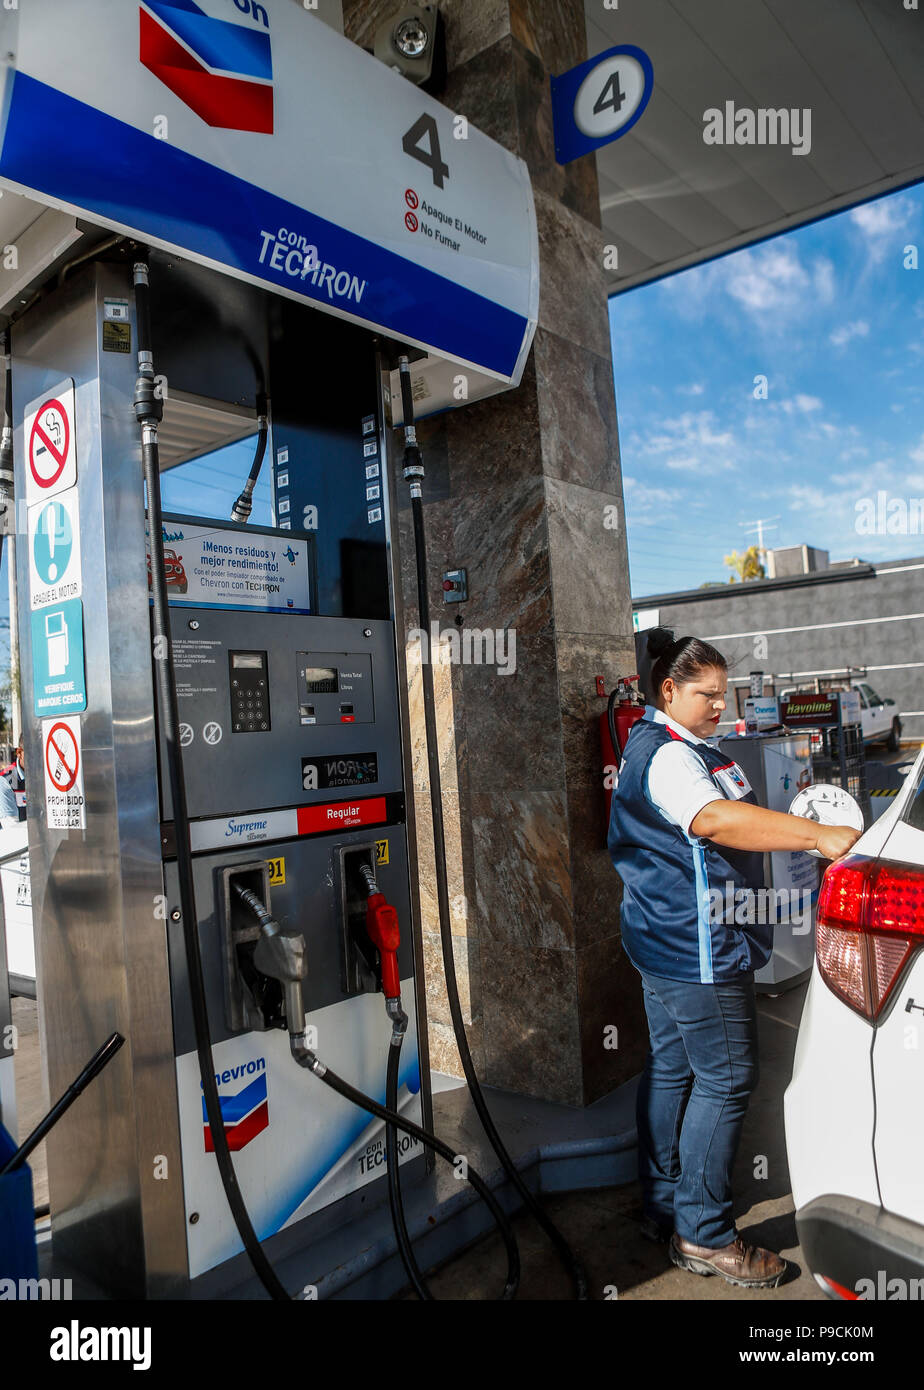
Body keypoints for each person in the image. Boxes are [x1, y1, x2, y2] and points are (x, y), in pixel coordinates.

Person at [607, 629, 862, 1290]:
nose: (720, 704)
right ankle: (705, 1234)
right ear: (668, 690)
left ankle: (663, 1202)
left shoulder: (683, 745)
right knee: (725, 1077)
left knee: (672, 1067)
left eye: (726, 693)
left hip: (666, 939)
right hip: (697, 948)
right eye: (707, 694)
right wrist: (819, 836)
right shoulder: (666, 755)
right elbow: (715, 821)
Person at [0, 741, 24, 825]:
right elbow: (11, 827)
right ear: (19, 753)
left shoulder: (43, 775)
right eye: (32, 752)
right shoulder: (6, 779)